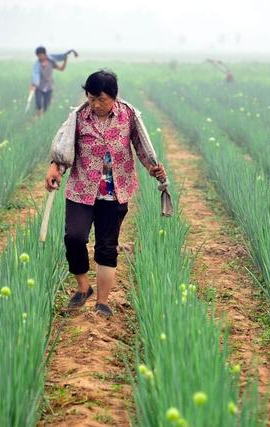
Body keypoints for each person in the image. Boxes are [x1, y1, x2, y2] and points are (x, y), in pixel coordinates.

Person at [45, 70, 166, 318]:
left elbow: (141, 144)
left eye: (101, 99)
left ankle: (102, 303)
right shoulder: (78, 117)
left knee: (106, 247)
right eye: (91, 98)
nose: (95, 105)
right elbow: (65, 147)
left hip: (115, 192)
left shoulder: (128, 115)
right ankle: (83, 288)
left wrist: (153, 166)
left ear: (114, 96)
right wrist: (55, 168)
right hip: (82, 190)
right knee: (74, 238)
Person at [30, 46, 71, 116]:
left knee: (46, 106)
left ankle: (44, 119)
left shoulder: (51, 62)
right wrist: (33, 85)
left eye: (41, 55)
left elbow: (61, 69)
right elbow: (35, 75)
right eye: (38, 56)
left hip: (49, 87)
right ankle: (38, 119)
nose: (40, 57)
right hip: (39, 87)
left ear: (45, 54)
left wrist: (65, 60)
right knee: (38, 104)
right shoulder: (37, 65)